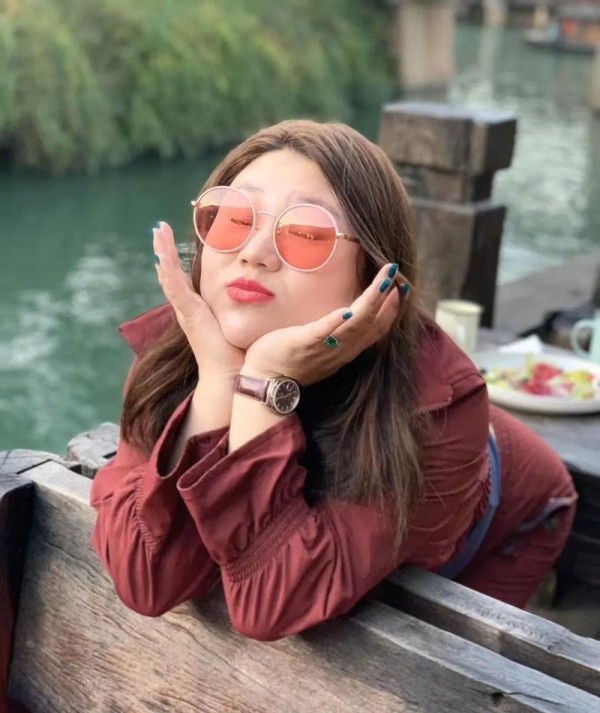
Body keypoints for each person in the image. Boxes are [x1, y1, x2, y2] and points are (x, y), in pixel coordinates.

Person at [90, 119, 578, 641]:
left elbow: (270, 604)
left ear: (371, 272)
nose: (254, 252)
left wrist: (263, 384)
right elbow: (148, 581)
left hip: (514, 518)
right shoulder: (172, 355)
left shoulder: (439, 410)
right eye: (234, 218)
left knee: (456, 653)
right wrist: (219, 379)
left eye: (306, 234)